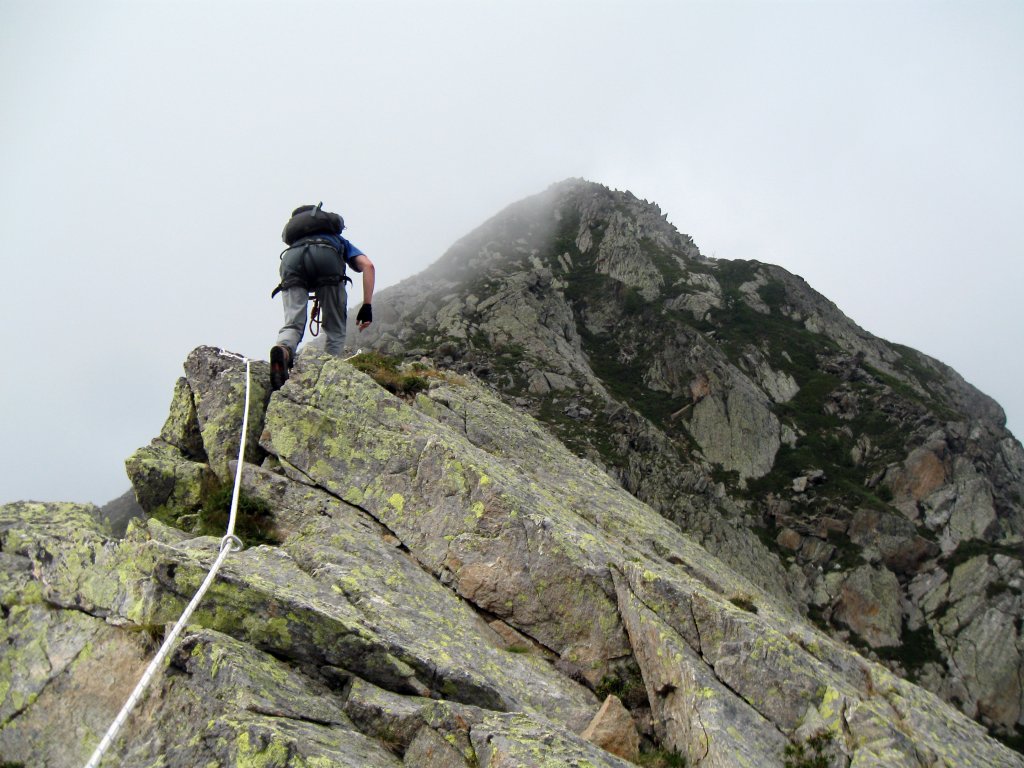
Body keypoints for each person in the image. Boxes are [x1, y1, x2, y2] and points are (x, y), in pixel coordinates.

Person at [269, 204, 375, 390]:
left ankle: (283, 351)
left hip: (291, 260)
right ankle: (329, 376)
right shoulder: (336, 239)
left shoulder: (296, 241)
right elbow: (368, 265)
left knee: (293, 324)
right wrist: (367, 306)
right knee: (335, 329)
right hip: (327, 257)